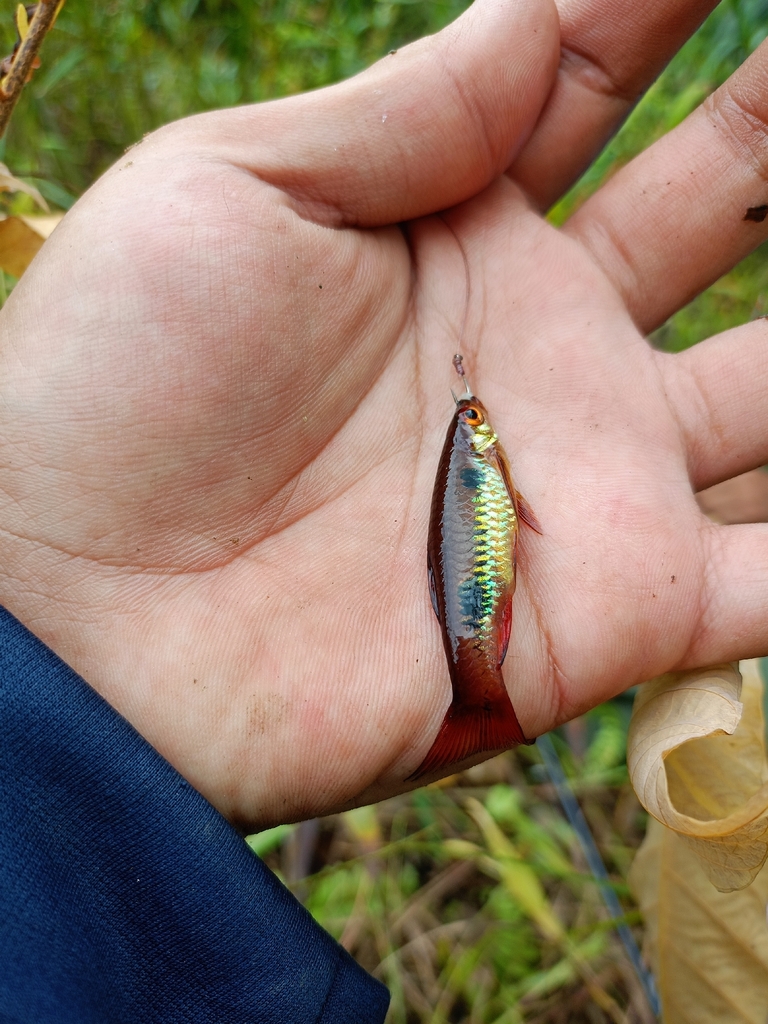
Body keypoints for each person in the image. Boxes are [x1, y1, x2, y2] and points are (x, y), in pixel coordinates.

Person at [2, 0, 768, 1017]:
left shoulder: (473, 462)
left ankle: (473, 689)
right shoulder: (476, 458)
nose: (480, 433)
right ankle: (473, 689)